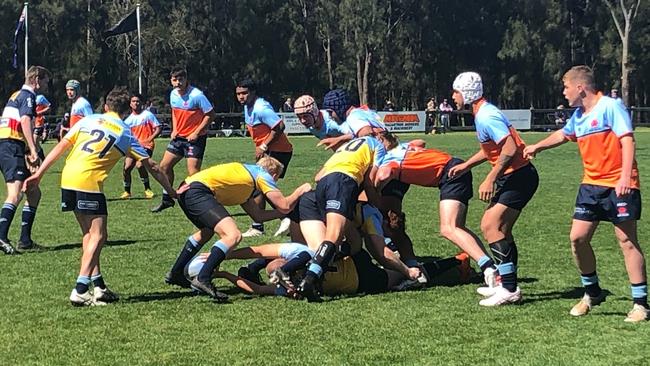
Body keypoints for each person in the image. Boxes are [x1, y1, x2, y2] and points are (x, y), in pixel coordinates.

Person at [23, 87, 176, 306]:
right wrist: (171, 192)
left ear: (105, 106)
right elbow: (151, 165)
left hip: (68, 178)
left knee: (89, 235)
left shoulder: (88, 120)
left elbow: (61, 147)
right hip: (90, 183)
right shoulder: (124, 131)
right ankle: (81, 288)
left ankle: (100, 286)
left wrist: (38, 175)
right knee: (99, 235)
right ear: (125, 112)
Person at [523, 65, 648, 322]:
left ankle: (640, 304)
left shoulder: (610, 107)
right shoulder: (579, 116)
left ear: (580, 87)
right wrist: (537, 147)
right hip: (590, 186)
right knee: (577, 239)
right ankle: (592, 292)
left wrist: (625, 176)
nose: (564, 93)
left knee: (626, 241)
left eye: (566, 87)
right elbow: (563, 134)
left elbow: (627, 140)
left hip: (618, 185)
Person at [447, 71, 539, 306]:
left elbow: (509, 148)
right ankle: (507, 284)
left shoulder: (486, 116)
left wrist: (490, 177)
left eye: (456, 91)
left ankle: (508, 288)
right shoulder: (483, 113)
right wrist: (467, 165)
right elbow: (493, 150)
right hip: (515, 176)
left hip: (518, 177)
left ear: (466, 93)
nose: (453, 96)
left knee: (491, 226)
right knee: (500, 229)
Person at [163, 156, 311, 301]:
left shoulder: (245, 180)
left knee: (206, 232)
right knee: (233, 235)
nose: (274, 183)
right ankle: (203, 277)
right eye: (276, 179)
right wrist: (300, 191)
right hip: (198, 191)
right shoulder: (263, 174)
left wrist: (288, 213)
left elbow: (258, 216)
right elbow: (284, 205)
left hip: (188, 190)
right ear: (273, 174)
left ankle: (176, 273)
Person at [374, 131, 498, 293]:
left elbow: (385, 174)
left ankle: (490, 269)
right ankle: (490, 267)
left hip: (450, 174)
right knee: (457, 227)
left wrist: (374, 190)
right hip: (453, 170)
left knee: (449, 228)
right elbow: (420, 142)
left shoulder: (389, 158)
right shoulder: (404, 148)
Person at [296, 136, 386, 298]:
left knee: (355, 243)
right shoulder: (378, 145)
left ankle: (324, 262)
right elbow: (369, 182)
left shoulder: (344, 149)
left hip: (324, 184)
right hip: (344, 182)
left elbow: (317, 177)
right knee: (334, 234)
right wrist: (377, 203)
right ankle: (310, 279)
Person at [0, 66, 51, 254]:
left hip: (10, 144)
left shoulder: (16, 94)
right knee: (15, 193)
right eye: (45, 80)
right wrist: (33, 149)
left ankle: (25, 240)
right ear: (37, 79)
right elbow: (25, 121)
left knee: (33, 192)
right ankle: (1, 235)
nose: (46, 85)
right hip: (11, 144)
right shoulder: (28, 96)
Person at [151, 67, 215, 213]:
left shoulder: (197, 95)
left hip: (194, 139)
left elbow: (211, 114)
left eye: (181, 79)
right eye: (175, 80)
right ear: (171, 81)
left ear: (186, 80)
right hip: (179, 138)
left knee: (193, 172)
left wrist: (196, 132)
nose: (178, 82)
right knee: (164, 167)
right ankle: (167, 199)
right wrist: (174, 129)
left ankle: (201, 201)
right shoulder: (173, 94)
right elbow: (174, 111)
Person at [235, 78, 293, 238]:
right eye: (238, 93)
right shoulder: (248, 107)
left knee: (260, 187)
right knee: (259, 188)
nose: (241, 97)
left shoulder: (261, 108)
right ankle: (260, 225)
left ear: (253, 92)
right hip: (269, 152)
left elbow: (279, 126)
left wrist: (264, 146)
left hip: (278, 151)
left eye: (244, 93)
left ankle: (285, 217)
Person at [120, 93, 161, 200]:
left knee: (140, 165)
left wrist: (150, 138)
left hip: (146, 146)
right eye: (133, 101)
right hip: (133, 147)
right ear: (130, 104)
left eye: (137, 101)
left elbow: (158, 128)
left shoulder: (147, 115)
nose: (136, 103)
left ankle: (147, 189)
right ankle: (127, 191)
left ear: (141, 103)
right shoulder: (128, 120)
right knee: (127, 168)